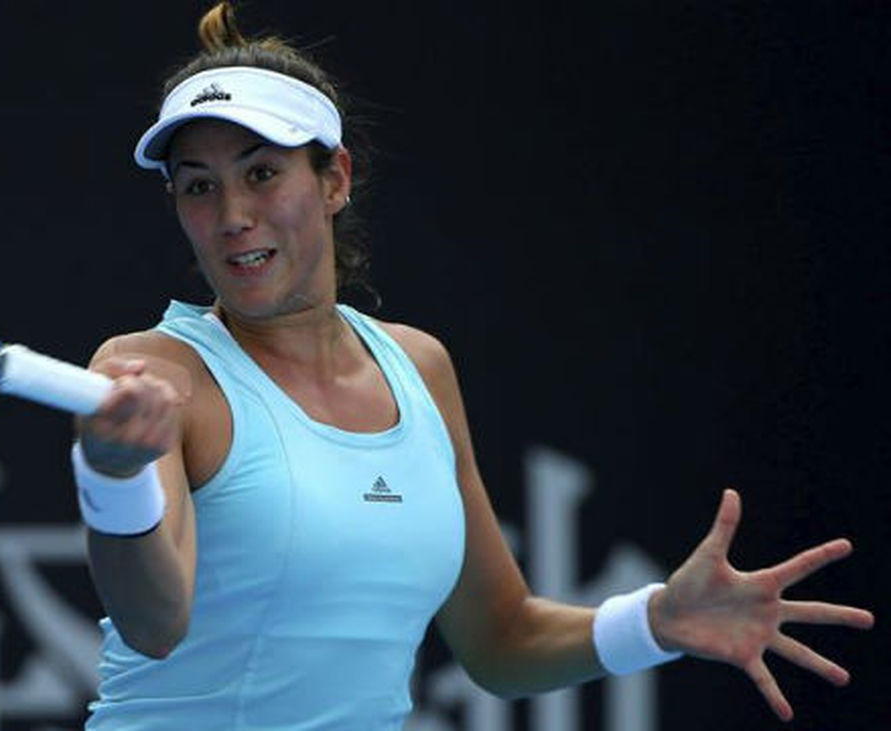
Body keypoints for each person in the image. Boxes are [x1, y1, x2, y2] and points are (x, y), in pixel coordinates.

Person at [69, 3, 875, 728]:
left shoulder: (418, 366)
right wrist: (113, 474)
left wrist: (654, 621)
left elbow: (500, 639)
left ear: (334, 179)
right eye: (198, 187)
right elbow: (153, 623)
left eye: (261, 173)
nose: (232, 216)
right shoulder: (151, 372)